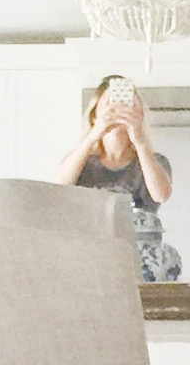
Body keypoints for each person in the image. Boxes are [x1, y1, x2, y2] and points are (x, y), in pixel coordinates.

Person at [57, 79, 181, 282]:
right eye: (110, 105)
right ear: (95, 113)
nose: (118, 110)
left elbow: (161, 194)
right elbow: (61, 186)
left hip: (140, 258)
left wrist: (139, 140)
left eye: (127, 104)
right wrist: (94, 134)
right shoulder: (82, 161)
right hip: (91, 255)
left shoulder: (154, 161)